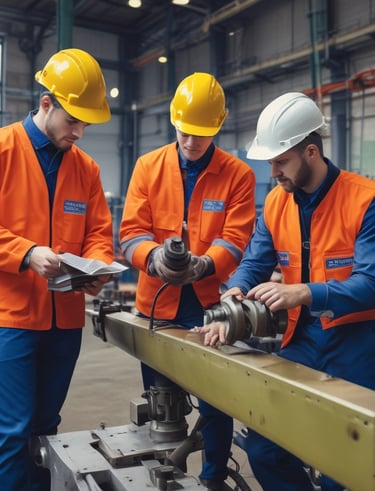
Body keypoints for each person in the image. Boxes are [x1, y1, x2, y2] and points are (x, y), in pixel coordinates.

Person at [197, 91, 375, 491]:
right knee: (263, 447)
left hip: (359, 346)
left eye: (281, 161)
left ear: (311, 152)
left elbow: (372, 284)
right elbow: (255, 261)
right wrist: (234, 295)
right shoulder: (278, 201)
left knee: (344, 465)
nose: (272, 171)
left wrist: (304, 293)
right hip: (303, 342)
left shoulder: (365, 200)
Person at [119, 72, 256, 490]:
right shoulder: (149, 166)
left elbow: (235, 239)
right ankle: (166, 475)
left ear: (217, 126)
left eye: (201, 133)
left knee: (217, 402)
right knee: (161, 401)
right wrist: (154, 257)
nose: (192, 142)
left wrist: (204, 265)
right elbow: (129, 233)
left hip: (209, 303)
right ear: (173, 122)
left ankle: (212, 477)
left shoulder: (238, 175)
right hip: (156, 304)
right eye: (185, 131)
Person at [0, 48, 114, 491]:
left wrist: (100, 264)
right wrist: (26, 253)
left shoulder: (86, 169)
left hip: (64, 319)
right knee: (13, 431)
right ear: (46, 104)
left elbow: (99, 232)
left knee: (47, 428)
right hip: (13, 318)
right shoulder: (4, 149)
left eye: (87, 124)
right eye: (73, 121)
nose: (80, 133)